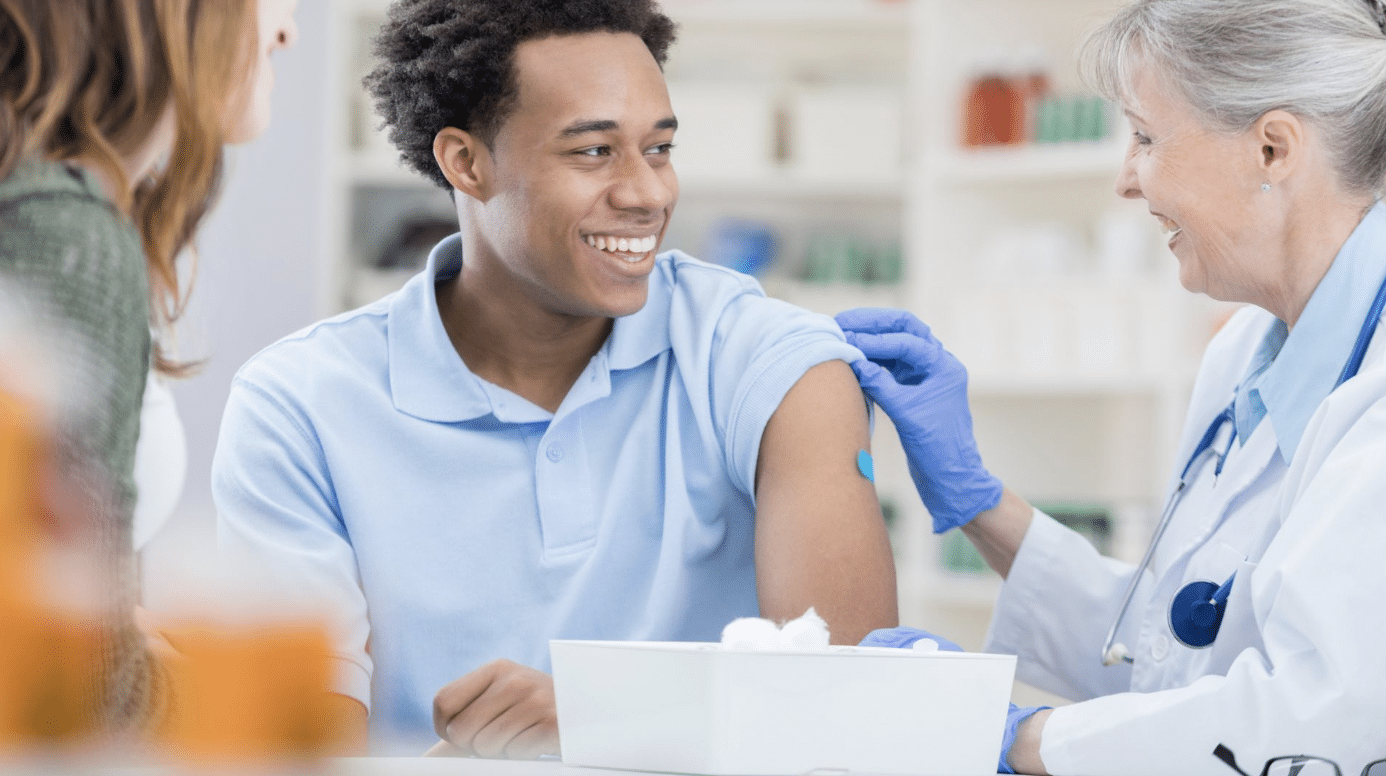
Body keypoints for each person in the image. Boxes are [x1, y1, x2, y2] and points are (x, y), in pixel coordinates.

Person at [211, 0, 900, 758]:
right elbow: (296, 753)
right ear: (465, 163)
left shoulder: (770, 369)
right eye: (594, 152)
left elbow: (855, 718)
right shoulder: (299, 404)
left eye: (660, 148)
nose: (648, 194)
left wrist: (606, 721)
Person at [842, 0, 1386, 773]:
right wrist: (977, 500)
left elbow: (1321, 718)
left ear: (1272, 149)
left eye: (1145, 137)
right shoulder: (1242, 357)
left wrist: (1010, 738)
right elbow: (1173, 649)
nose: (1126, 180)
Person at [0, 0, 298, 740]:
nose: (288, 29)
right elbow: (76, 680)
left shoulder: (49, 212)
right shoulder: (63, 234)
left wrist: (122, 639)